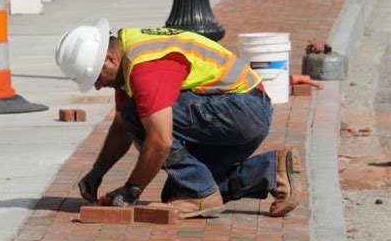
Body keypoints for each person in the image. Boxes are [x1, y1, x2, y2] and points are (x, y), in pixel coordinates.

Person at [55, 21, 301, 219]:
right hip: (240, 112)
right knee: (176, 192)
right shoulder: (126, 56)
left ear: (109, 59)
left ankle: (201, 191)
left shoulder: (145, 67)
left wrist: (131, 189)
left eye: (97, 78)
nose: (99, 87)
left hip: (242, 111)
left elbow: (160, 141)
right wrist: (97, 172)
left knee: (139, 117)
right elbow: (121, 127)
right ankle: (271, 169)